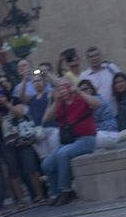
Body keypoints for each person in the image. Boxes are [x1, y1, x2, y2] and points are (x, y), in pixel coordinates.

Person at [40, 78, 99, 206]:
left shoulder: (80, 98)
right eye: (59, 87)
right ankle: (56, 193)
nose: (62, 90)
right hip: (68, 141)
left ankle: (66, 190)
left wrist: (78, 91)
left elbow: (96, 104)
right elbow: (46, 118)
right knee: (47, 164)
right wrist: (56, 100)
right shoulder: (60, 104)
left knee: (63, 154)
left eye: (65, 86)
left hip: (86, 139)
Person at [0, 90, 43, 206]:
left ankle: (40, 195)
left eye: (0, 95)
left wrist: (7, 103)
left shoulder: (14, 100)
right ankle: (21, 200)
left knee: (31, 168)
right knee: (14, 172)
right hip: (7, 144)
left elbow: (20, 114)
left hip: (23, 140)